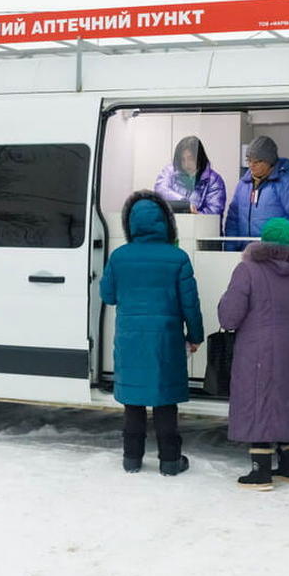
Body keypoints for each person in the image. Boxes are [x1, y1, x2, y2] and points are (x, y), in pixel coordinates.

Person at [100, 190, 205, 476]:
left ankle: (131, 458)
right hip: (166, 340)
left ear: (130, 224)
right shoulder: (178, 257)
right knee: (164, 400)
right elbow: (190, 304)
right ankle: (170, 461)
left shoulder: (119, 256)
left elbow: (107, 295)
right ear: (166, 223)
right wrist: (196, 335)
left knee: (133, 401)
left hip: (130, 339)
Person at [217, 217, 289, 491]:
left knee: (258, 399)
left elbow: (230, 317)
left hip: (256, 348)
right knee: (288, 398)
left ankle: (260, 472)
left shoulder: (248, 269)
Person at [224, 136, 289, 244]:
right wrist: (230, 249)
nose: (251, 165)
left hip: (273, 253)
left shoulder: (286, 182)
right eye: (249, 160)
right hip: (245, 253)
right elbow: (233, 220)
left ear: (269, 161)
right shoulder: (243, 184)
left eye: (257, 162)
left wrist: (283, 249)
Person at [154, 135, 227, 215]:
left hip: (199, 226)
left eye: (190, 159)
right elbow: (160, 190)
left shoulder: (214, 181)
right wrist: (183, 204)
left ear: (199, 158)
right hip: (171, 225)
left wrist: (194, 214)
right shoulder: (170, 171)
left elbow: (214, 212)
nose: (186, 164)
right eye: (183, 159)